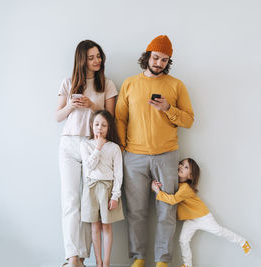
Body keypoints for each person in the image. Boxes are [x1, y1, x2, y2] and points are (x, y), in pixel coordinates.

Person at [115, 35, 194, 267]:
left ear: (168, 61)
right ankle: (138, 259)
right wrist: (122, 149)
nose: (159, 63)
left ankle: (162, 262)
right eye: (156, 57)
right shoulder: (130, 83)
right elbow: (120, 118)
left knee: (166, 212)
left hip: (167, 156)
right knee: (136, 212)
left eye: (164, 60)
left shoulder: (176, 85)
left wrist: (169, 109)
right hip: (134, 157)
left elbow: (189, 120)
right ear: (148, 55)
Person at [56, 40, 118, 267]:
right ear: (81, 59)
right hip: (69, 144)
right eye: (91, 57)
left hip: (95, 145)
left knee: (89, 202)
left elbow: (110, 118)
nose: (97, 61)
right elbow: (57, 116)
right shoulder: (68, 82)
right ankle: (73, 258)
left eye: (99, 56)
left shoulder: (107, 85)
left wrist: (92, 105)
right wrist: (72, 106)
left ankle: (82, 257)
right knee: (70, 201)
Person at [151, 158, 252, 267]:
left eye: (185, 167)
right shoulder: (176, 184)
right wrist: (157, 187)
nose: (180, 167)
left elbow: (173, 200)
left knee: (218, 231)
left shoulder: (185, 188)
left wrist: (157, 192)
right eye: (181, 164)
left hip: (202, 216)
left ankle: (243, 242)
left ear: (190, 176)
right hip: (190, 219)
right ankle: (187, 264)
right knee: (183, 240)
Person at [80, 110, 124, 267]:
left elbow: (118, 174)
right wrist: (97, 148)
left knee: (107, 226)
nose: (100, 128)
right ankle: (98, 261)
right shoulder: (85, 145)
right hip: (91, 188)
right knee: (95, 226)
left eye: (104, 125)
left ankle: (106, 262)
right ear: (91, 125)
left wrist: (115, 196)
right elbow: (89, 167)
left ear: (109, 127)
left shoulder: (114, 148)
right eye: (97, 124)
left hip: (107, 189)